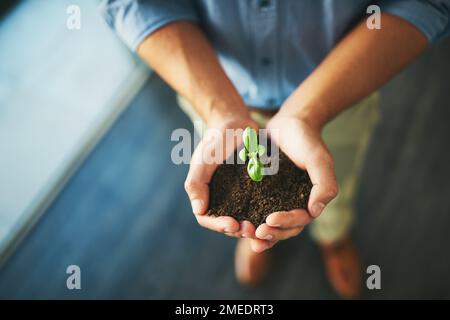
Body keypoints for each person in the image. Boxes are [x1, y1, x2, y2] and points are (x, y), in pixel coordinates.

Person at [100, 0, 450, 298]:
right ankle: (250, 233)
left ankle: (333, 236)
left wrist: (304, 113)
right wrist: (223, 113)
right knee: (235, 193)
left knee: (333, 183)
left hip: (339, 94)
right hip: (214, 92)